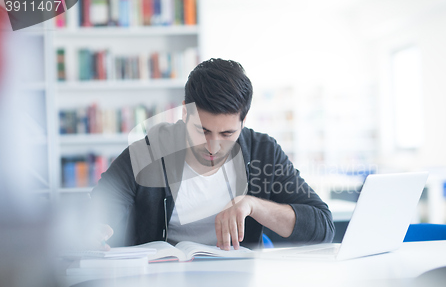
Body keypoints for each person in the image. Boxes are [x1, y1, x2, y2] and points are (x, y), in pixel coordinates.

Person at [91, 58, 334, 250]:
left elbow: (323, 227)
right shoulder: (150, 151)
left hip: (239, 285)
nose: (213, 147)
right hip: (162, 286)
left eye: (227, 134)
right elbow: (100, 207)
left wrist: (252, 205)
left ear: (243, 121)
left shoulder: (263, 152)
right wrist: (97, 230)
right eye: (202, 131)